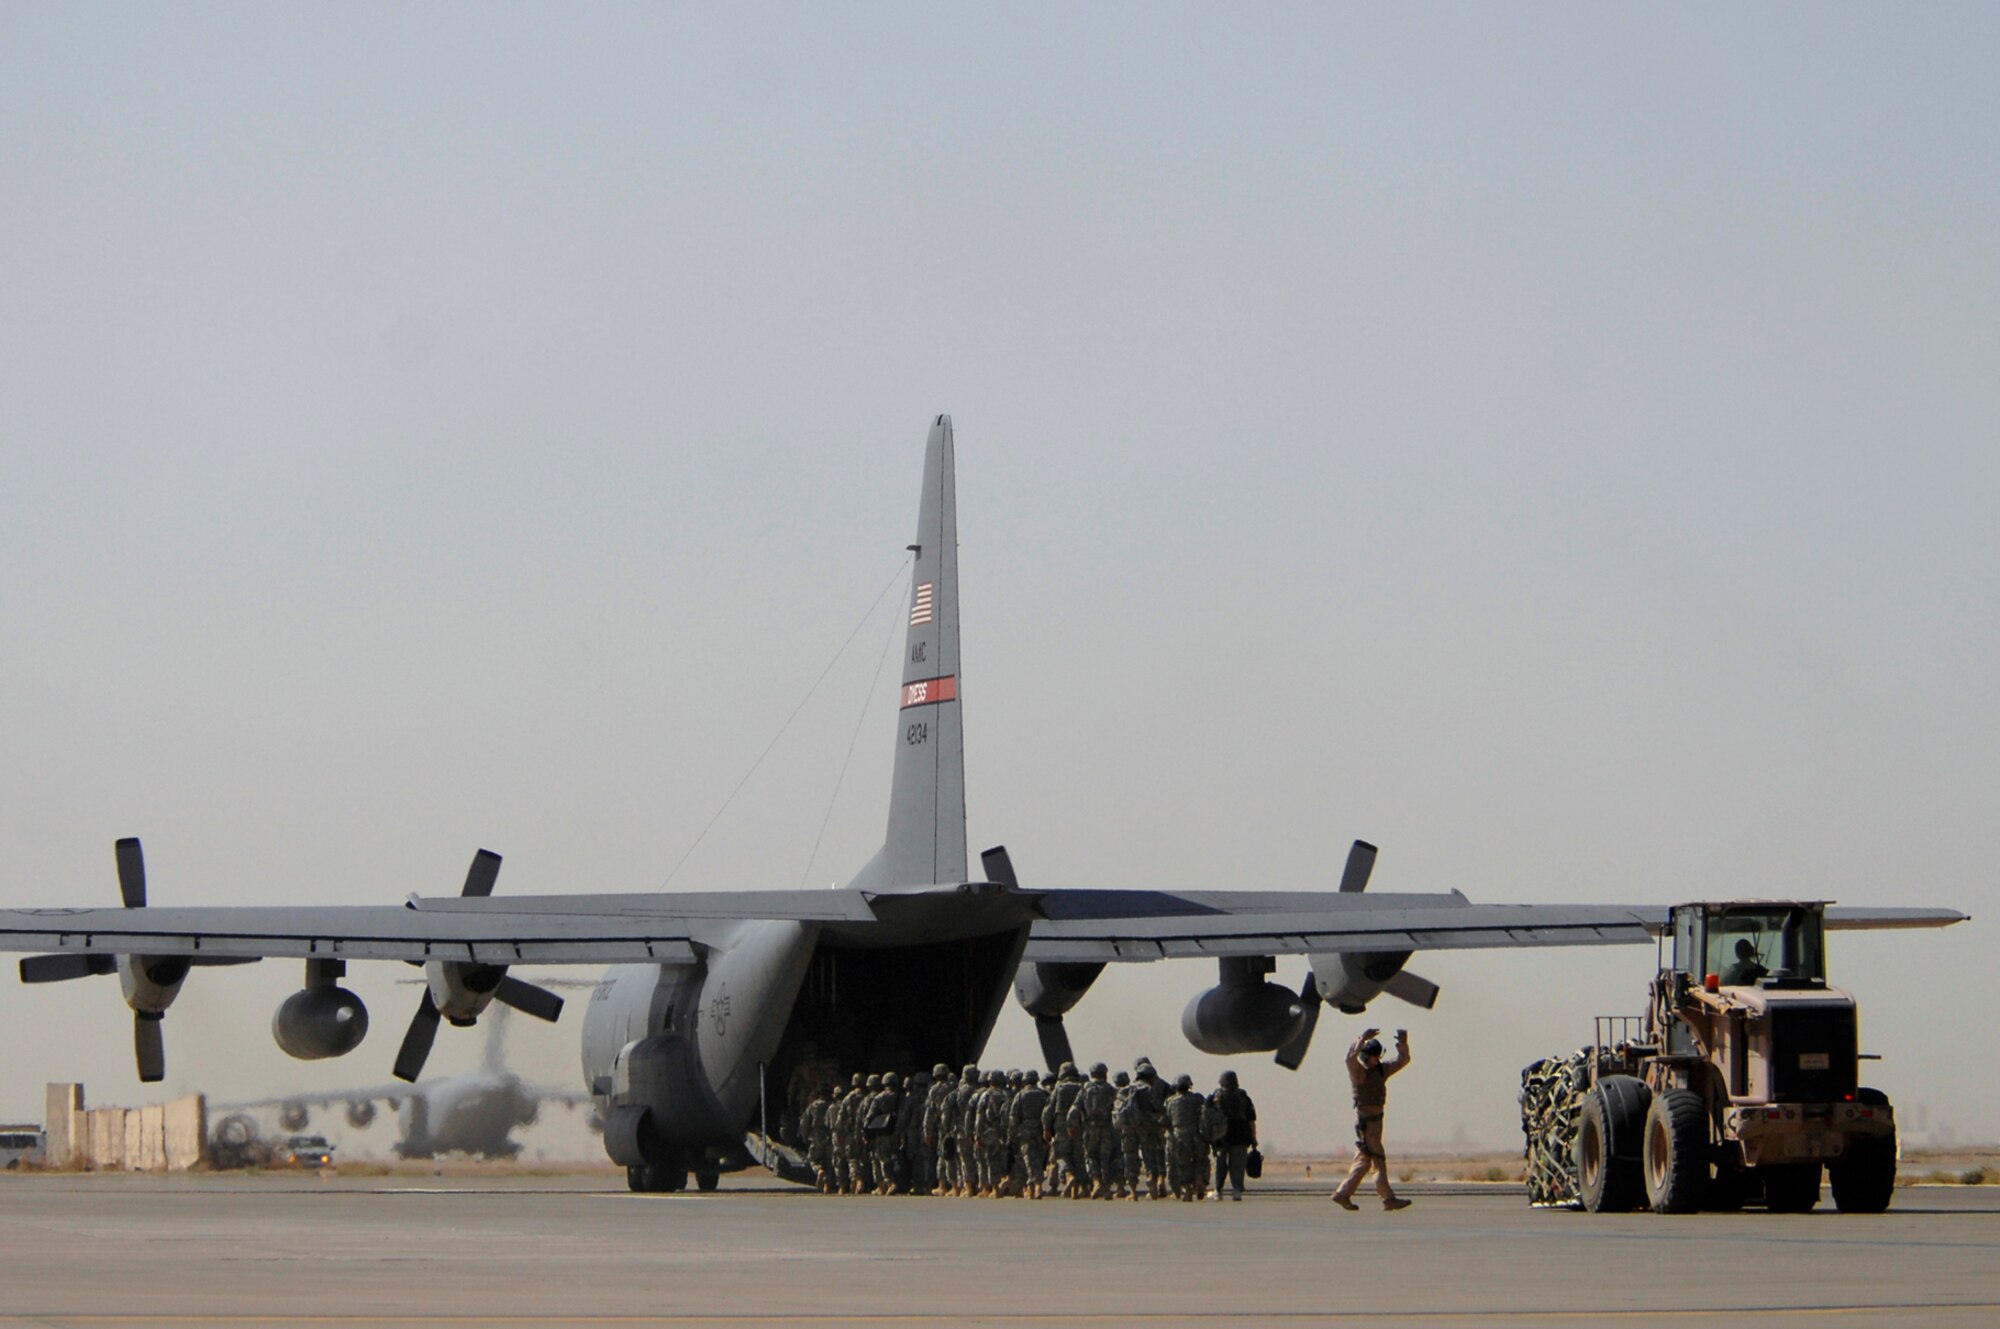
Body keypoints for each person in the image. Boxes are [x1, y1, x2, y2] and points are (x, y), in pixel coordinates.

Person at [1332, 1028, 1411, 1211]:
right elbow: (1349, 1058)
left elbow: (1402, 1060)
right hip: (1368, 1124)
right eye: (1375, 1056)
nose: (1378, 1059)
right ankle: (1388, 1198)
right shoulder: (1358, 1073)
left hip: (1374, 1122)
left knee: (1363, 1162)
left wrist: (1403, 1044)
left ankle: (1343, 1194)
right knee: (1378, 1160)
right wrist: (1362, 1038)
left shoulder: (1381, 1070)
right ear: (1369, 1056)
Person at [1207, 1069, 1258, 1200]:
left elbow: (1206, 1116)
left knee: (1220, 1163)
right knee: (1238, 1165)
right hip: (1240, 1133)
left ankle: (1218, 1190)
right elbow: (1251, 1119)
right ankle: (1236, 1190)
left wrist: (1208, 1135)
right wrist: (1253, 1138)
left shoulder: (1213, 1096)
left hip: (1220, 1134)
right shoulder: (1243, 1097)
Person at [1070, 1062, 1118, 1198]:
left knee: (1091, 1156)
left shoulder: (1085, 1089)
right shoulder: (1110, 1089)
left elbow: (1074, 1109)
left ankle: (1096, 1182)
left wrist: (1071, 1126)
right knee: (1106, 1157)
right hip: (1107, 1127)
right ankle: (1107, 1187)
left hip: (1090, 1127)